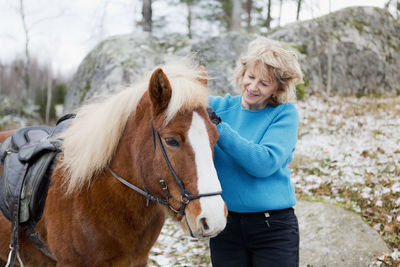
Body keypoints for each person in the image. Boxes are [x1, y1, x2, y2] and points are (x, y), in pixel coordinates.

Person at [207, 36, 303, 267]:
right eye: (251, 77)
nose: (252, 86)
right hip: (225, 226)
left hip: (273, 228)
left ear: (277, 88)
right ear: (242, 73)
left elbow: (264, 163)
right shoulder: (216, 106)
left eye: (264, 83)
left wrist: (219, 127)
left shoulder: (284, 114)